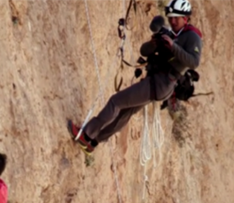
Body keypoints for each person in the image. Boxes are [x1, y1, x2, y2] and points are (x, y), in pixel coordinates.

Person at [68, 0, 203, 155]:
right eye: (171, 17)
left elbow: (194, 62)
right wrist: (155, 43)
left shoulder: (192, 36)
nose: (172, 21)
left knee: (116, 101)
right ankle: (94, 141)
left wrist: (173, 46)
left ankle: (86, 134)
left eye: (176, 18)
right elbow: (144, 51)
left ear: (185, 18)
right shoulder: (171, 34)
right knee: (125, 112)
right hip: (157, 83)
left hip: (161, 83)